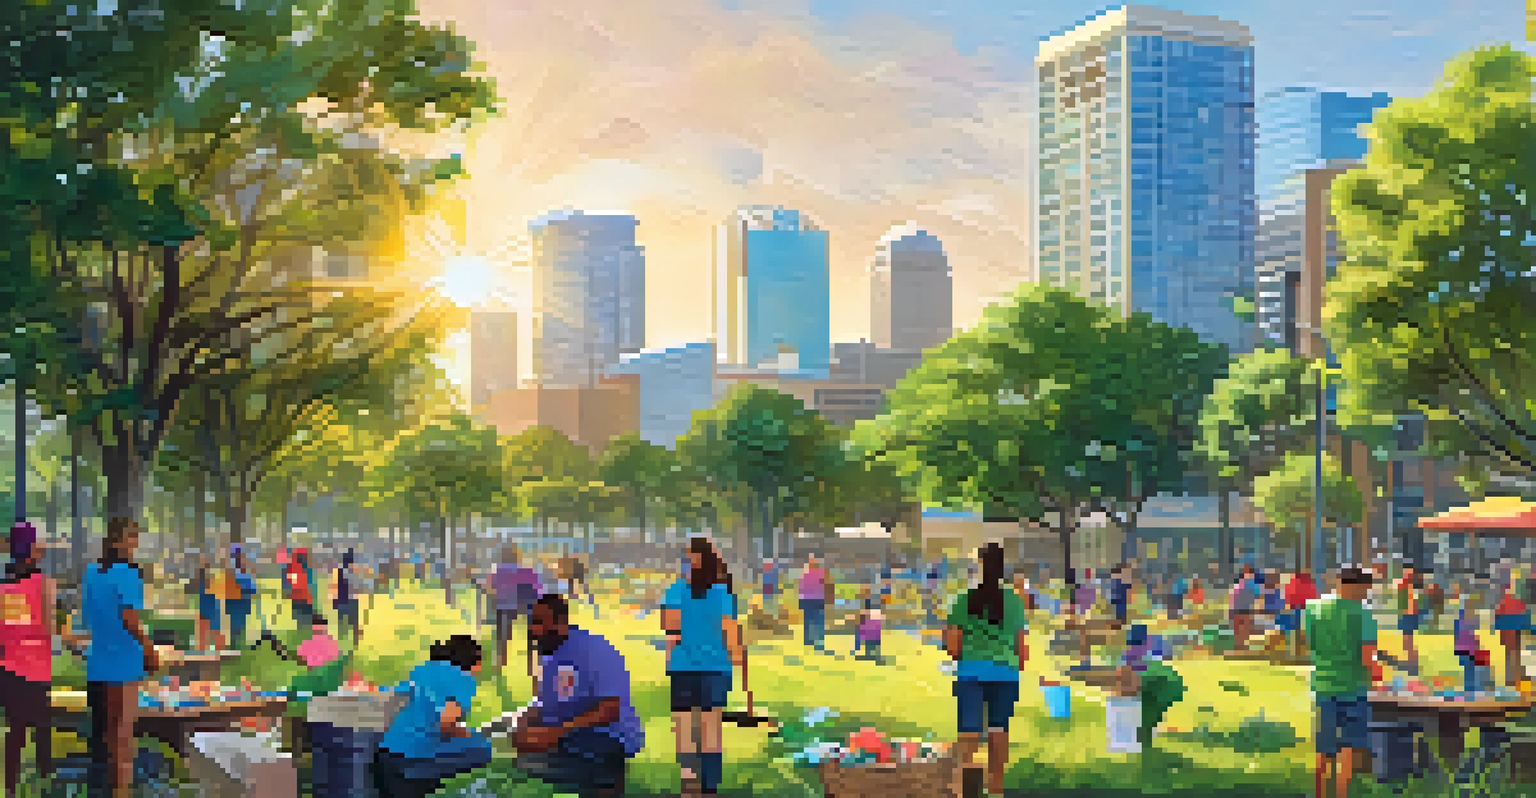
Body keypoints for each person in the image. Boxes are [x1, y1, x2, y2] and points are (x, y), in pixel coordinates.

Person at [515, 595, 644, 798]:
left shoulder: (595, 649)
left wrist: (554, 734)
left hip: (604, 737)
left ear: (561, 623)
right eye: (531, 622)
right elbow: (545, 702)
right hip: (567, 734)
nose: (533, 630)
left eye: (539, 623)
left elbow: (609, 710)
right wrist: (522, 722)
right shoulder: (550, 656)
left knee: (527, 764)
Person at [80, 518, 159, 796]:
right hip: (125, 661)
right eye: (132, 537)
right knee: (123, 736)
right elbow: (129, 619)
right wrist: (150, 649)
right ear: (120, 540)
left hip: (98, 659)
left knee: (104, 735)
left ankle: (103, 789)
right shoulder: (128, 574)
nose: (135, 543)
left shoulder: (91, 573)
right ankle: (121, 792)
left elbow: (88, 618)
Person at [944, 543, 1027, 797]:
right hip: (1005, 672)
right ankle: (996, 787)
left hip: (971, 672)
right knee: (999, 729)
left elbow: (952, 647)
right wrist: (1013, 664)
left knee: (969, 731)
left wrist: (967, 656)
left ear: (978, 567)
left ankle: (966, 789)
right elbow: (1021, 649)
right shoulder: (1014, 602)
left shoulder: (962, 600)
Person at [661, 539, 742, 796]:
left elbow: (669, 626)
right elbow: (729, 630)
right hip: (716, 668)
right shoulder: (721, 593)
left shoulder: (676, 589)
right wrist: (738, 657)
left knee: (685, 728)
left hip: (683, 667)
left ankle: (689, 783)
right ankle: (709, 787)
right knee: (711, 729)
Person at [376, 635, 492, 798]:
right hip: (411, 761)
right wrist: (467, 733)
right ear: (474, 661)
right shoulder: (463, 678)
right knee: (483, 748)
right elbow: (446, 724)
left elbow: (391, 693)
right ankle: (424, 779)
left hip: (385, 756)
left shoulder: (422, 669)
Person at [1304, 566, 1382, 798]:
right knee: (1348, 745)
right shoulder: (1362, 614)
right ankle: (1340, 794)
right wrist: (1379, 674)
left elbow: (1311, 644)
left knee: (1324, 746)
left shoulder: (1313, 608)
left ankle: (1319, 793)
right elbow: (1368, 656)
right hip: (1352, 686)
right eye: (1366, 590)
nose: (1366, 595)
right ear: (1358, 587)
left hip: (1324, 684)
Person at [0, 523, 55, 795]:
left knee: (15, 729)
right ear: (32, 549)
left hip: (8, 667)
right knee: (42, 727)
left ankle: (10, 787)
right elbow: (49, 627)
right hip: (37, 667)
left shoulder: (3, 585)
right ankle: (45, 781)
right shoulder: (44, 584)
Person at [490, 548, 544, 669]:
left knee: (503, 633)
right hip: (525, 604)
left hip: (504, 605)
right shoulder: (526, 570)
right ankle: (531, 663)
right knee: (532, 634)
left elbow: (493, 588)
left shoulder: (498, 571)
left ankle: (501, 660)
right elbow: (538, 589)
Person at [1395, 565, 1423, 676]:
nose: (1405, 574)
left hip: (1408, 616)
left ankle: (1413, 666)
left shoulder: (1409, 587)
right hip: (1406, 616)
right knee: (1406, 643)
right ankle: (1411, 664)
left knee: (1408, 643)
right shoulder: (1404, 586)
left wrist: (1409, 614)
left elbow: (1412, 603)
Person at [226, 545, 256, 649]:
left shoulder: (242, 573)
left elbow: (252, 589)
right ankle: (235, 645)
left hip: (238, 603)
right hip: (236, 603)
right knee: (236, 626)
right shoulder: (235, 573)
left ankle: (236, 645)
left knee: (237, 626)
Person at [798, 556, 830, 652]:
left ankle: (808, 640)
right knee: (818, 621)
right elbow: (826, 585)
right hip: (817, 599)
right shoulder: (820, 573)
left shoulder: (805, 573)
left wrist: (800, 601)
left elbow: (801, 587)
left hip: (808, 599)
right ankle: (818, 641)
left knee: (808, 620)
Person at [1284, 570, 1319, 656]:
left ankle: (1296, 653)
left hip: (1300, 609)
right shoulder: (1304, 582)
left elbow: (1288, 595)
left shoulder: (1294, 581)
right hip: (1302, 609)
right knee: (1300, 633)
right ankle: (1298, 653)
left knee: (1297, 633)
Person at [194, 556, 224, 652]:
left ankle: (218, 651)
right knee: (203, 635)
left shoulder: (214, 581)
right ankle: (202, 652)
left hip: (211, 609)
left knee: (215, 633)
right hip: (206, 609)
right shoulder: (202, 583)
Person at [332, 550, 361, 645]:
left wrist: (334, 600)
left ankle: (342, 643)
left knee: (342, 625)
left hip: (342, 600)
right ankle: (354, 642)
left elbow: (336, 587)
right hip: (351, 600)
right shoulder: (354, 572)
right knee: (353, 624)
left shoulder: (340, 571)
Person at [286, 548, 317, 632]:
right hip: (301, 598)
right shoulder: (298, 569)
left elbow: (291, 583)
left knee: (302, 619)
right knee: (302, 619)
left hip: (300, 598)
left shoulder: (294, 568)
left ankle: (303, 630)